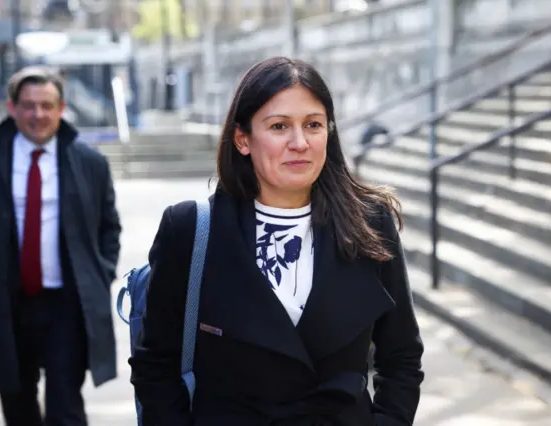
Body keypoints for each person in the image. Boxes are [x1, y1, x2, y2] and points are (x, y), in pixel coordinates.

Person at [129, 57, 424, 426]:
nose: (299, 143)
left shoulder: (370, 223)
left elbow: (402, 356)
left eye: (313, 125)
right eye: (279, 126)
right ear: (242, 139)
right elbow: (155, 365)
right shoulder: (189, 229)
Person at [0, 66, 122, 426]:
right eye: (28, 106)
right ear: (12, 109)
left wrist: (101, 273)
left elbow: (109, 227)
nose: (37, 115)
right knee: (17, 405)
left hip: (65, 307)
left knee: (66, 407)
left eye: (46, 105)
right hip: (5, 305)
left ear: (61, 108)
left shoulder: (90, 163)